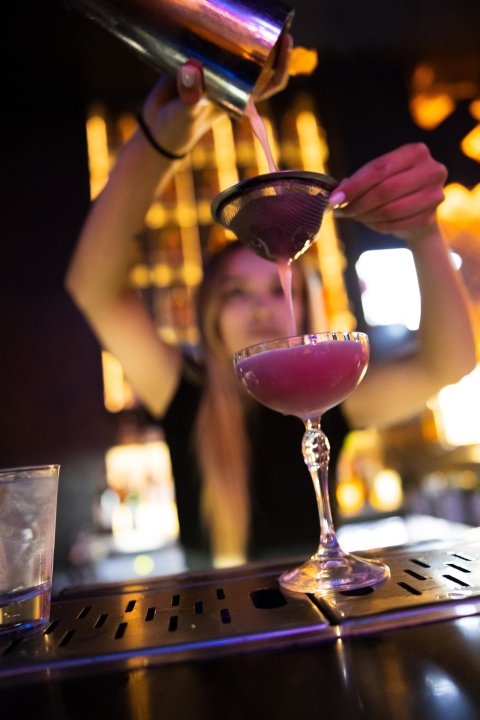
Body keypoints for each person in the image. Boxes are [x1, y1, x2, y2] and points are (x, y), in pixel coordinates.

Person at [65, 53, 476, 569]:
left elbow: (448, 364)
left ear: (306, 310)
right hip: (214, 613)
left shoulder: (328, 400)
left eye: (279, 292)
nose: (261, 308)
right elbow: (93, 288)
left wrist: (423, 231)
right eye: (237, 293)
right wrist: (160, 139)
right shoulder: (182, 393)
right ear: (210, 315)